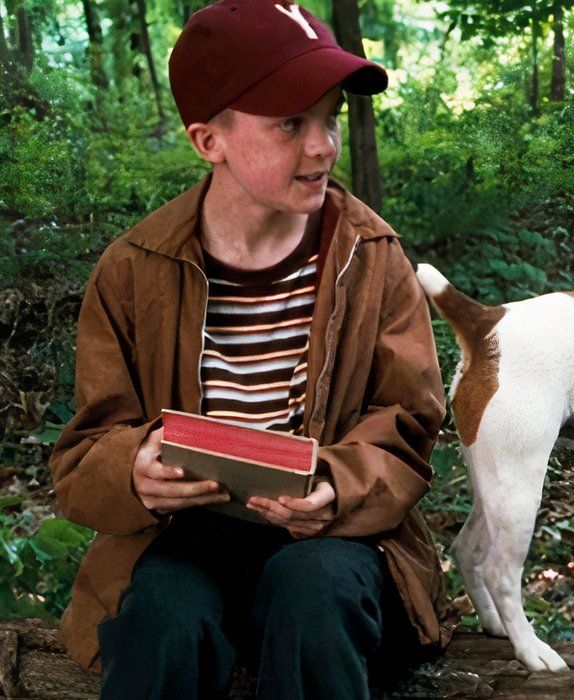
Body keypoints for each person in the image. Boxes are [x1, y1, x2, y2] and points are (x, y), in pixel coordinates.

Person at [47, 1, 448, 697]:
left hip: (334, 542)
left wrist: (336, 486)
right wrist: (132, 470)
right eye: (291, 123)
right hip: (184, 537)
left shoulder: (371, 257)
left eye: (327, 118)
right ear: (210, 140)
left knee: (313, 596)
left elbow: (407, 426)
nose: (323, 146)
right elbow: (85, 456)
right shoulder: (134, 268)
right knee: (161, 620)